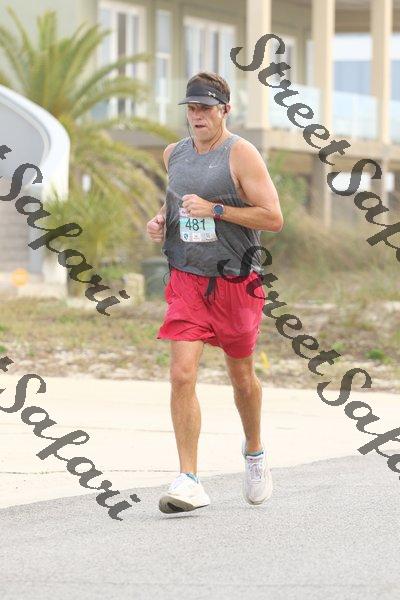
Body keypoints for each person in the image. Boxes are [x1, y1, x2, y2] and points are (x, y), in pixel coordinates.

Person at [146, 72, 283, 514]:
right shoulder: (174, 154)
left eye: (205, 108)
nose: (197, 116)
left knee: (241, 378)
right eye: (191, 108)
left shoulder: (241, 154)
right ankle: (188, 479)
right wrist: (160, 220)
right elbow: (176, 201)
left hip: (236, 281)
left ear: (225, 110)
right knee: (181, 374)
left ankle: (255, 450)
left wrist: (216, 210)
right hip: (187, 277)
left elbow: (272, 217)